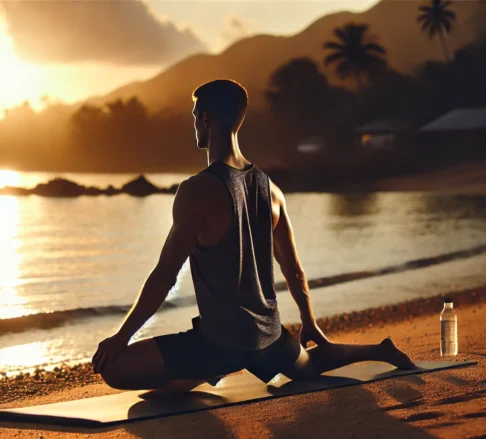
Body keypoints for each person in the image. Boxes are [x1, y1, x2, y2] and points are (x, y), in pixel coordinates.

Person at [92, 79, 415, 395]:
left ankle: (208, 368)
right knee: (307, 366)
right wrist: (308, 321)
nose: (194, 125)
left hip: (219, 342)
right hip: (268, 337)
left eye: (195, 117)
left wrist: (123, 336)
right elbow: (294, 269)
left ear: (206, 118)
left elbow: (166, 274)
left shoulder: (197, 189)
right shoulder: (271, 188)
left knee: (114, 369)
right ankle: (379, 349)